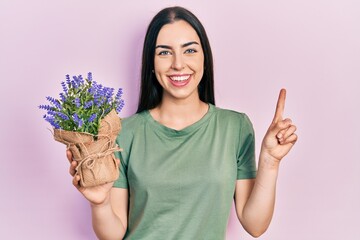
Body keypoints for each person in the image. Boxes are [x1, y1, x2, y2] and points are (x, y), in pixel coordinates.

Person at [67, 6, 298, 240]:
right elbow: (113, 235)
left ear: (204, 57)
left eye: (189, 50)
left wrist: (270, 160)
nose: (178, 64)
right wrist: (100, 203)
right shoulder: (124, 133)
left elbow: (255, 225)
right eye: (164, 53)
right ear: (152, 62)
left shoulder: (235, 128)